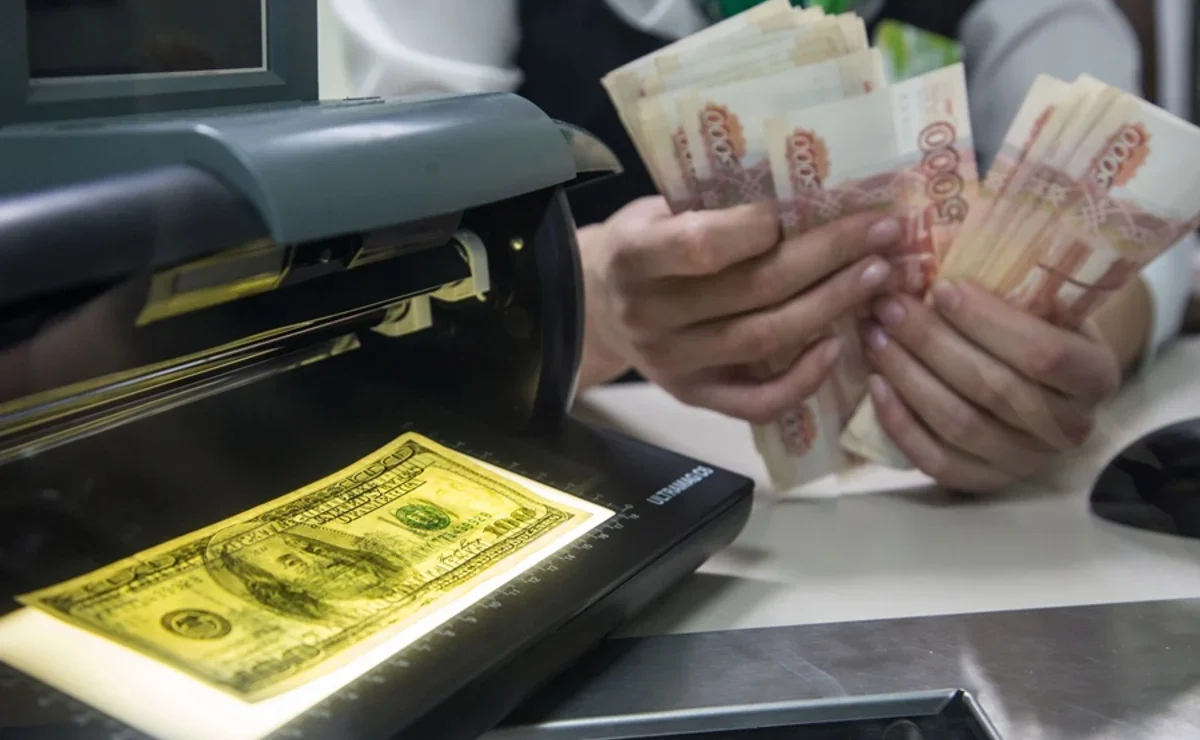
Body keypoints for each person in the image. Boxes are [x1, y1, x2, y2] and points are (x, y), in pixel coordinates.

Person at [330, 0, 1196, 493]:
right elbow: (394, 260)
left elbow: (1142, 234)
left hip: (923, 515)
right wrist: (588, 303)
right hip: (570, 479)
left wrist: (1057, 345)